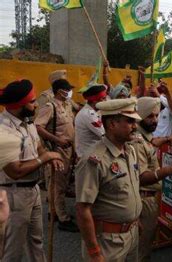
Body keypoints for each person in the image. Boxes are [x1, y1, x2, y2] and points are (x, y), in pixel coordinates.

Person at [75, 98, 168, 261]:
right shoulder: (94, 160)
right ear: (112, 124)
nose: (134, 126)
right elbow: (83, 210)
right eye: (130, 121)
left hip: (131, 234)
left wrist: (134, 219)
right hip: (108, 242)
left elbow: (131, 189)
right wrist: (95, 252)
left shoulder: (129, 151)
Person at [0, 79, 64, 261]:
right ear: (19, 105)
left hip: (33, 191)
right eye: (32, 101)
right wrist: (46, 158)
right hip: (13, 194)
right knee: (12, 250)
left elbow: (39, 148)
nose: (36, 105)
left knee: (36, 243)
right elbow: (15, 171)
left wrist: (49, 157)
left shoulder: (28, 123)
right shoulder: (3, 130)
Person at [132, 97, 172, 261]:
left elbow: (151, 143)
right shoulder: (137, 141)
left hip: (144, 199)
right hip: (142, 200)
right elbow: (141, 178)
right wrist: (170, 170)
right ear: (140, 115)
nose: (155, 120)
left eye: (157, 116)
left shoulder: (144, 136)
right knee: (140, 249)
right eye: (150, 116)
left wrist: (166, 139)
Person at [35, 79, 79, 232]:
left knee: (60, 183)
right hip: (57, 150)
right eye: (68, 89)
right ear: (61, 91)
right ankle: (63, 219)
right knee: (58, 185)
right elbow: (38, 127)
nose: (69, 92)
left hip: (68, 150)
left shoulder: (66, 105)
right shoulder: (50, 106)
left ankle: (53, 212)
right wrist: (57, 140)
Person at [74, 84, 107, 159]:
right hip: (87, 157)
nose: (105, 101)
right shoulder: (88, 115)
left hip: (92, 154)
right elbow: (104, 134)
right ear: (95, 100)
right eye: (103, 99)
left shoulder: (94, 112)